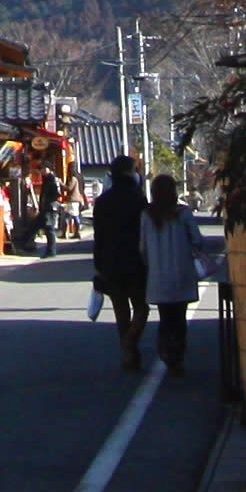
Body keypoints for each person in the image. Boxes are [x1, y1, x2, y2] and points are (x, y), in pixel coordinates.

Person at [142, 172, 219, 375]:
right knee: (179, 318)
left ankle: (165, 349)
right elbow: (198, 240)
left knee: (165, 317)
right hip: (182, 273)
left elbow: (141, 248)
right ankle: (177, 356)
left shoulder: (147, 215)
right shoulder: (183, 214)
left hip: (158, 276)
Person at [89, 155, 150, 371]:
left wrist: (99, 263)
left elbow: (99, 235)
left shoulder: (103, 201)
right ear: (131, 173)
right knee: (141, 307)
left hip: (109, 261)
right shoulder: (139, 199)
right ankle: (130, 342)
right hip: (135, 261)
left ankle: (128, 354)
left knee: (120, 309)